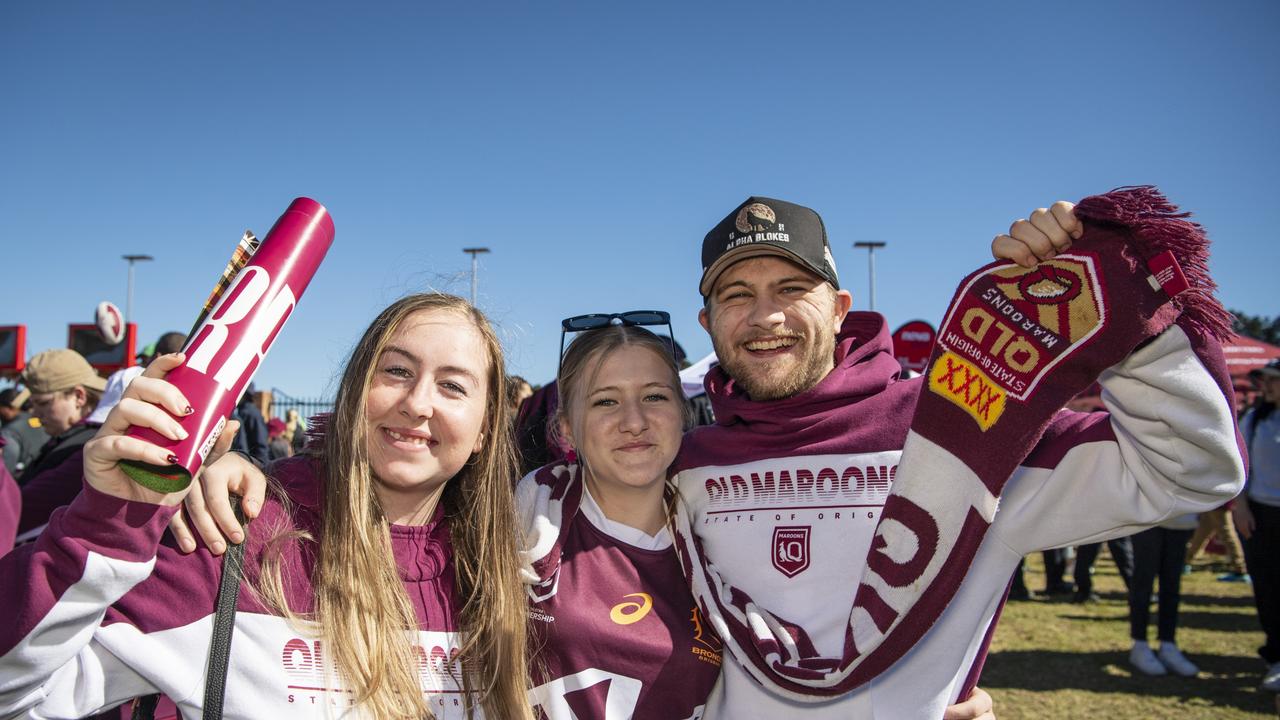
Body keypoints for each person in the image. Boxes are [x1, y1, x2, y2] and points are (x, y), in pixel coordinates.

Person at [666, 195, 1243, 717]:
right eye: (735, 295)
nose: (765, 316)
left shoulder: (963, 422)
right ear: (708, 322)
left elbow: (1191, 470)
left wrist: (1123, 297)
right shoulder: (679, 466)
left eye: (792, 289)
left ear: (840, 308)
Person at [0, 293, 533, 719]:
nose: (418, 403)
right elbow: (17, 692)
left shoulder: (510, 574)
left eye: (453, 386)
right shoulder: (230, 539)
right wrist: (106, 524)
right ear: (353, 394)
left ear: (486, 427)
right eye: (396, 371)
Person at [518, 323, 722, 719]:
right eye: (605, 402)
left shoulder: (719, 526)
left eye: (654, 396)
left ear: (682, 412)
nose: (634, 421)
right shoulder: (532, 509)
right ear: (566, 429)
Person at [1236, 358, 1280, 693]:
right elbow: (1242, 469)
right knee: (1266, 586)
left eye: (1273, 380)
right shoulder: (1254, 419)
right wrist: (1241, 507)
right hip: (1261, 516)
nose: (1266, 386)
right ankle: (1275, 655)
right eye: (1265, 380)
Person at [1126, 513, 1199, 676]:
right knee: (1143, 583)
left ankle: (1168, 644)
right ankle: (1139, 644)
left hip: (1182, 519)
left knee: (1171, 585)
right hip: (1147, 518)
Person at [0, 387, 46, 477]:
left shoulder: (9, 432)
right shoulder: (41, 422)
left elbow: (7, 464)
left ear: (9, 408)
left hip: (22, 483)